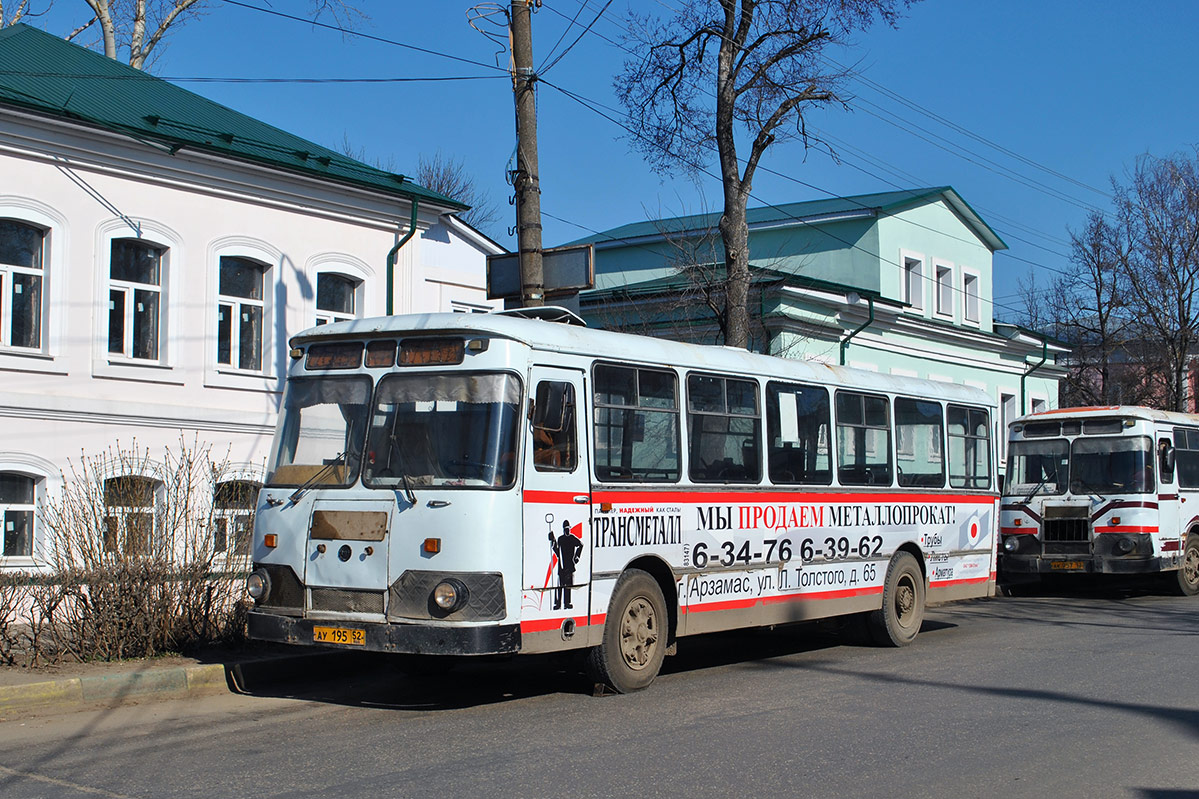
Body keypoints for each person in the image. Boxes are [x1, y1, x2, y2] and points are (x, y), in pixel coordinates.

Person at [549, 520, 583, 610]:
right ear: (563, 529)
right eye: (566, 529)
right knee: (560, 586)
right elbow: (557, 551)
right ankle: (558, 604)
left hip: (570, 565)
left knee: (568, 586)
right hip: (562, 565)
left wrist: (577, 557)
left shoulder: (572, 538)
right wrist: (553, 541)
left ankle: (567, 603)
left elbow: (580, 545)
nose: (567, 530)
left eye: (568, 529)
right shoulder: (560, 539)